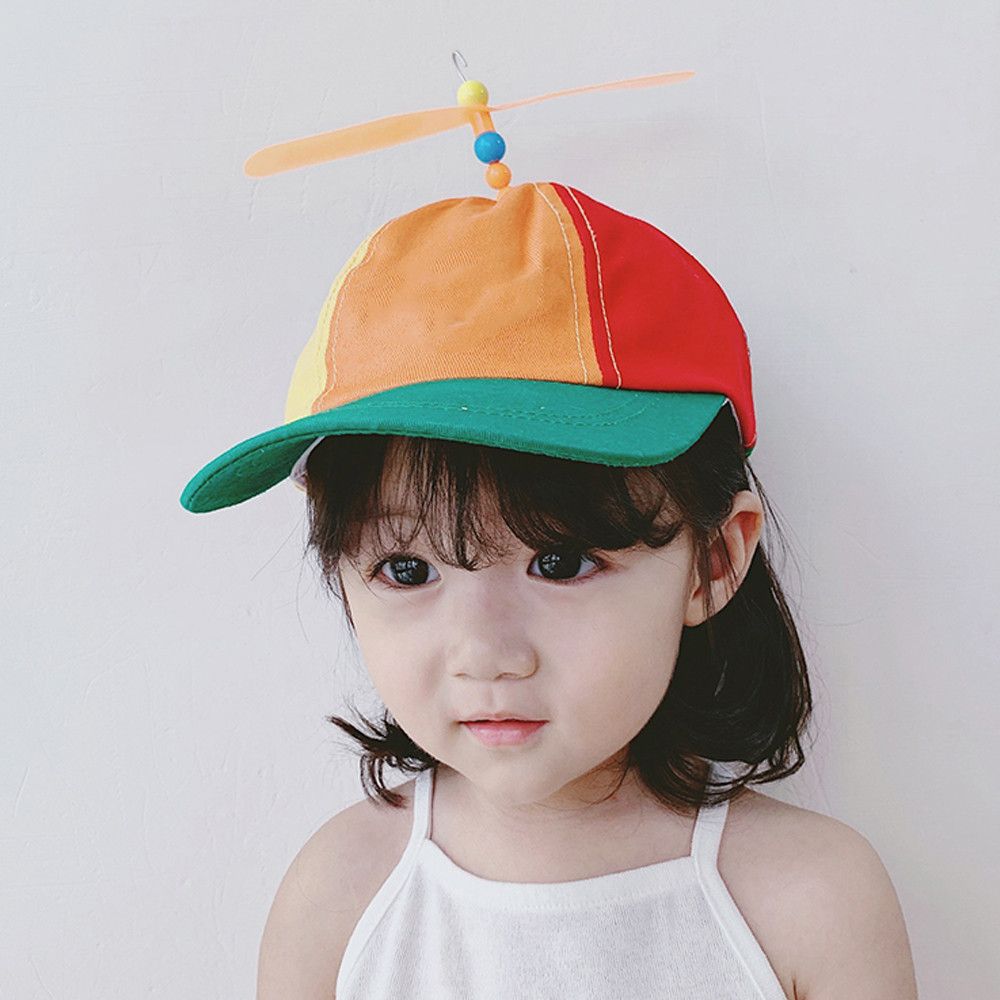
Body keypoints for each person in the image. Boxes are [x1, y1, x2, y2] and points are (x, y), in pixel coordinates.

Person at [180, 179, 918, 999]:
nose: (486, 652)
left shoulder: (809, 905)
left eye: (560, 562)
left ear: (713, 561)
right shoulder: (338, 901)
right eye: (408, 570)